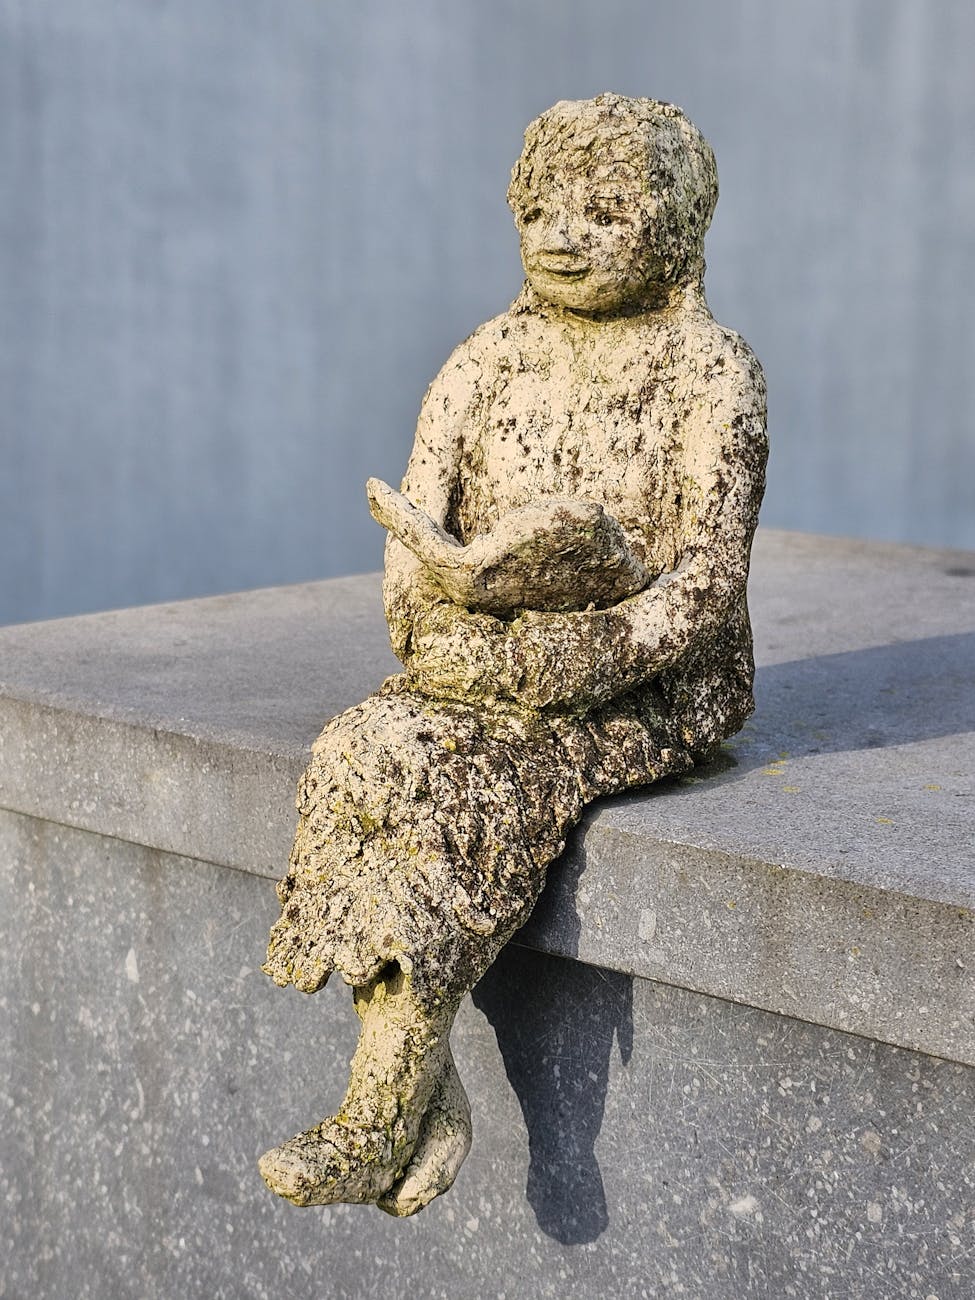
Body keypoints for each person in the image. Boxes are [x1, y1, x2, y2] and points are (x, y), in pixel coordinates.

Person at [259, 93, 767, 1216]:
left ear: (676, 227)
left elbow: (705, 583)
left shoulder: (710, 372)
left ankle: (380, 1111)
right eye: (542, 207)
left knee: (456, 782)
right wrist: (445, 631)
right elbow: (414, 538)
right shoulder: (485, 360)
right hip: (480, 662)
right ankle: (424, 1089)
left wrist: (579, 656)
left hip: (643, 686)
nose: (561, 234)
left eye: (603, 210)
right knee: (356, 747)